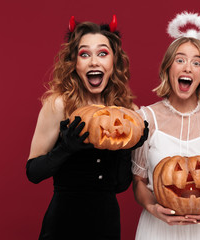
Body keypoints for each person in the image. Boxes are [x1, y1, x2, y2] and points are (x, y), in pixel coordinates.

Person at [26, 15, 147, 240]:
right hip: (63, 223)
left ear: (114, 61)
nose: (94, 62)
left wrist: (128, 148)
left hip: (107, 224)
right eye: (84, 54)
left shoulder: (127, 112)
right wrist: (66, 149)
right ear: (74, 63)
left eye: (102, 53)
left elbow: (120, 186)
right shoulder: (59, 105)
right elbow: (33, 172)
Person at [131, 12, 200, 239]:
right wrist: (153, 208)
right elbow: (139, 182)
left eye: (196, 63)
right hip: (159, 228)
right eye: (180, 60)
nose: (188, 68)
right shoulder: (145, 119)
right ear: (167, 69)